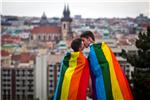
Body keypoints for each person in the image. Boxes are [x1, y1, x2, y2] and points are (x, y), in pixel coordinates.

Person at [80, 31, 133, 100]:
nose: (83, 43)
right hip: (109, 82)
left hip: (100, 85)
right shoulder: (104, 48)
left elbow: (95, 71)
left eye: (83, 40)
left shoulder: (93, 52)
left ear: (89, 39)